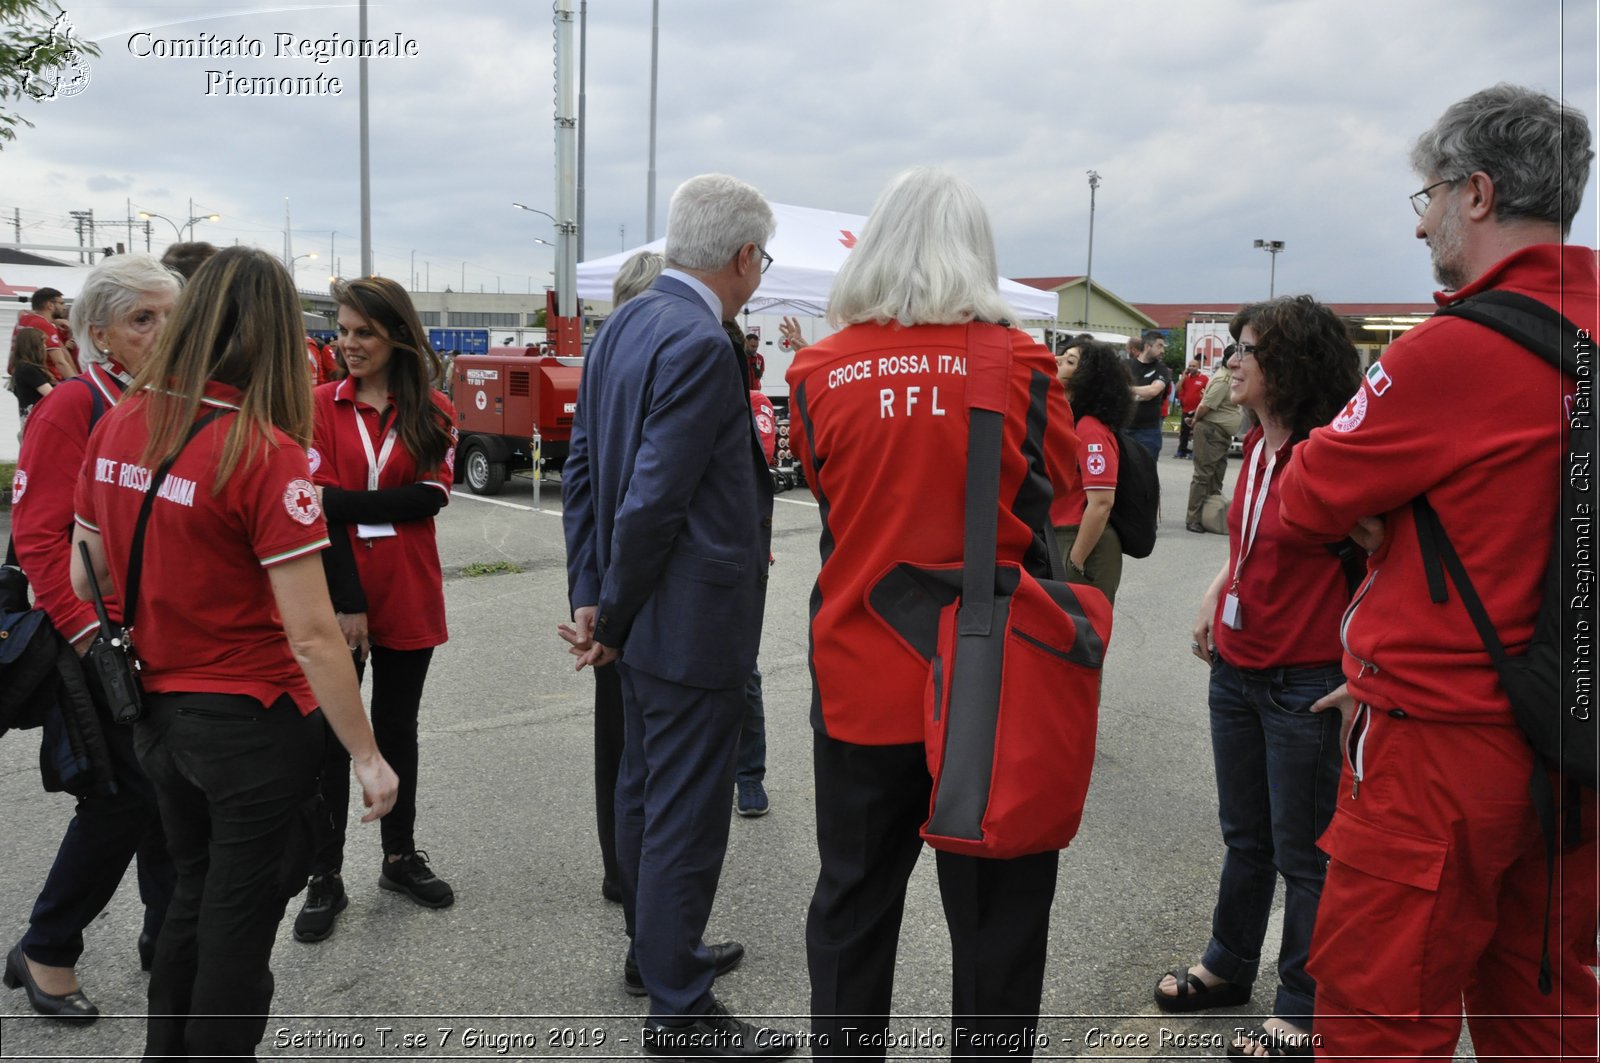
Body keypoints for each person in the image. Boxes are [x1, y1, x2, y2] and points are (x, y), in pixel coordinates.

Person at [1278, 83, 1598, 1059]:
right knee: (1544, 1008)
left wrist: (1395, 513)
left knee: (1380, 1016)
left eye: (1424, 198)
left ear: (1476, 192)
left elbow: (1301, 498)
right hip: (1579, 745)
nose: (1419, 227)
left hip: (1443, 749)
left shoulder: (1454, 350)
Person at [67, 246, 398, 1058]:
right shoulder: (265, 451)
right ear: (277, 336)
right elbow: (314, 633)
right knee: (238, 926)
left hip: (158, 715)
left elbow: (86, 573)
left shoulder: (121, 419)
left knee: (192, 892)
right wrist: (367, 754)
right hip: (249, 719)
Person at [786, 166, 1080, 1061]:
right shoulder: (1023, 363)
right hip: (992, 694)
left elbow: (832, 497)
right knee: (997, 929)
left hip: (859, 679)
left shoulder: (816, 369)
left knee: (853, 903)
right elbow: (1060, 494)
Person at [561, 173, 792, 1058]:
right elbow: (654, 498)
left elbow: (584, 467)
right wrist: (608, 612)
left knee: (642, 791)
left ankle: (654, 953)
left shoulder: (623, 322)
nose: (760, 274)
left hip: (639, 614)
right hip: (683, 622)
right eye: (760, 260)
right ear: (741, 257)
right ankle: (680, 1007)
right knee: (686, 812)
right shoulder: (701, 340)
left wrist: (590, 592)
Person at [1153, 295, 1361, 1058]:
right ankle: (1229, 963)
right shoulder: (1260, 445)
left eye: (1249, 348)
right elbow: (1250, 540)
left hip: (1302, 678)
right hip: (1238, 671)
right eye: (1236, 345)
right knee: (1246, 835)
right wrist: (1217, 590)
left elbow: (1387, 565)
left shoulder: (1330, 452)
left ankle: (1302, 1006)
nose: (1233, 360)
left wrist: (1366, 673)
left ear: (1294, 364)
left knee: (1306, 852)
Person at [4, 255, 180, 1025]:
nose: (165, 331)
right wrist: (88, 637)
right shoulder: (75, 402)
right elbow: (40, 539)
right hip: (95, 637)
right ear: (99, 332)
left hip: (163, 634)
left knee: (170, 792)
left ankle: (164, 932)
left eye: (173, 314)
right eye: (144, 319)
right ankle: (47, 945)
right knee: (120, 797)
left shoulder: (167, 398)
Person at [292, 276, 460, 943]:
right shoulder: (316, 406)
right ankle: (323, 873)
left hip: (409, 589)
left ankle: (399, 855)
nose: (349, 342)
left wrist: (341, 500)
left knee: (398, 727)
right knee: (333, 735)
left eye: (364, 331)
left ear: (395, 336)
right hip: (339, 594)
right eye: (344, 328)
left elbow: (432, 498)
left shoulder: (433, 409)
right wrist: (347, 600)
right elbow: (311, 507)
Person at [592, 248, 664, 905]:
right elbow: (650, 497)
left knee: (617, 742)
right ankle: (647, 914)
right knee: (645, 759)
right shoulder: (672, 357)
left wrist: (589, 591)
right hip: (647, 591)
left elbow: (583, 485)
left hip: (614, 585)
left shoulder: (601, 357)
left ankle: (622, 871)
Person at [729, 320, 776, 819]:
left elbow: (758, 475)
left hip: (745, 557)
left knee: (745, 673)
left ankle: (749, 775)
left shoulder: (758, 405)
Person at [1051, 339, 1132, 605]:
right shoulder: (1067, 418)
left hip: (1082, 541)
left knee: (1082, 636)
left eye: (1070, 361)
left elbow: (1101, 503)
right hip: (1059, 536)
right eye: (1062, 357)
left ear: (1086, 378)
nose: (1058, 361)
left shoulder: (1090, 429)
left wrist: (1075, 560)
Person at [1185, 346, 1244, 533]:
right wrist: (1195, 420)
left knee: (1216, 476)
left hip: (1219, 433)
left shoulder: (1229, 377)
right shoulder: (1223, 380)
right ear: (1229, 359)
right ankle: (1193, 518)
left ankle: (1208, 515)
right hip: (1211, 431)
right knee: (1203, 475)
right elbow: (1206, 406)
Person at [12, 287, 75, 382]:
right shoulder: (45, 325)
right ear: (50, 305)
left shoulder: (24, 318)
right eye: (61, 303)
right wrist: (78, 383)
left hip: (22, 376)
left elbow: (22, 312)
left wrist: (54, 321)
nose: (64, 307)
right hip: (46, 379)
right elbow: (60, 362)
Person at [1126, 332, 1170, 459]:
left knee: (1146, 472)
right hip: (1124, 428)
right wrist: (1140, 393)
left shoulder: (1162, 369)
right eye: (1159, 346)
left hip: (1148, 431)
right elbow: (1115, 390)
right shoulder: (1125, 365)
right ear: (1147, 346)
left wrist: (1127, 389)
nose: (1163, 350)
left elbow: (1153, 391)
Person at [7, 327, 54, 436]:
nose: (45, 347)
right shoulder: (28, 370)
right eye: (43, 344)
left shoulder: (19, 368)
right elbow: (52, 394)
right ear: (34, 347)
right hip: (37, 424)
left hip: (28, 423)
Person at [1175, 357, 1208, 457]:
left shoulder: (1204, 379)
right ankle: (1182, 450)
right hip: (1186, 409)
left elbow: (1207, 393)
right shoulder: (1186, 378)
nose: (1191, 368)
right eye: (1190, 366)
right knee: (1184, 431)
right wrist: (1183, 377)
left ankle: (1196, 452)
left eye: (1194, 366)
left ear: (1198, 367)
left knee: (1197, 432)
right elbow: (1177, 389)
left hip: (1198, 410)